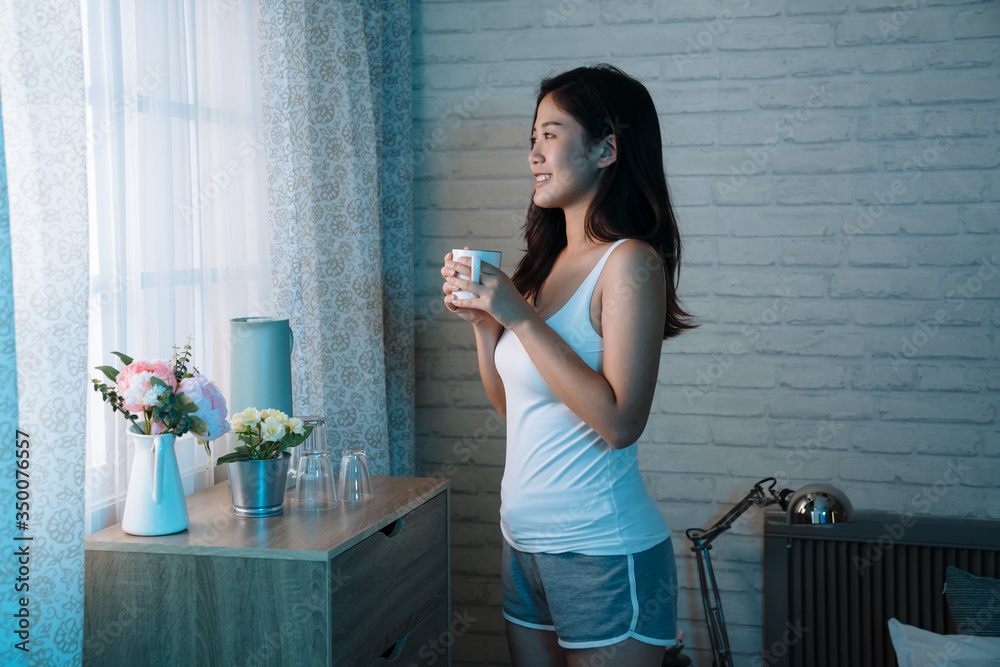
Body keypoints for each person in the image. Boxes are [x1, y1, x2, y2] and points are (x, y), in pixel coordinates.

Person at [440, 64, 696, 667]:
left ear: (607, 148)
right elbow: (517, 409)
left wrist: (521, 320)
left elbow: (620, 422)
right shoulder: (544, 265)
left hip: (602, 551)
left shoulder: (630, 263)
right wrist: (486, 329)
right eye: (532, 138)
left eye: (550, 134)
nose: (534, 152)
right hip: (522, 546)